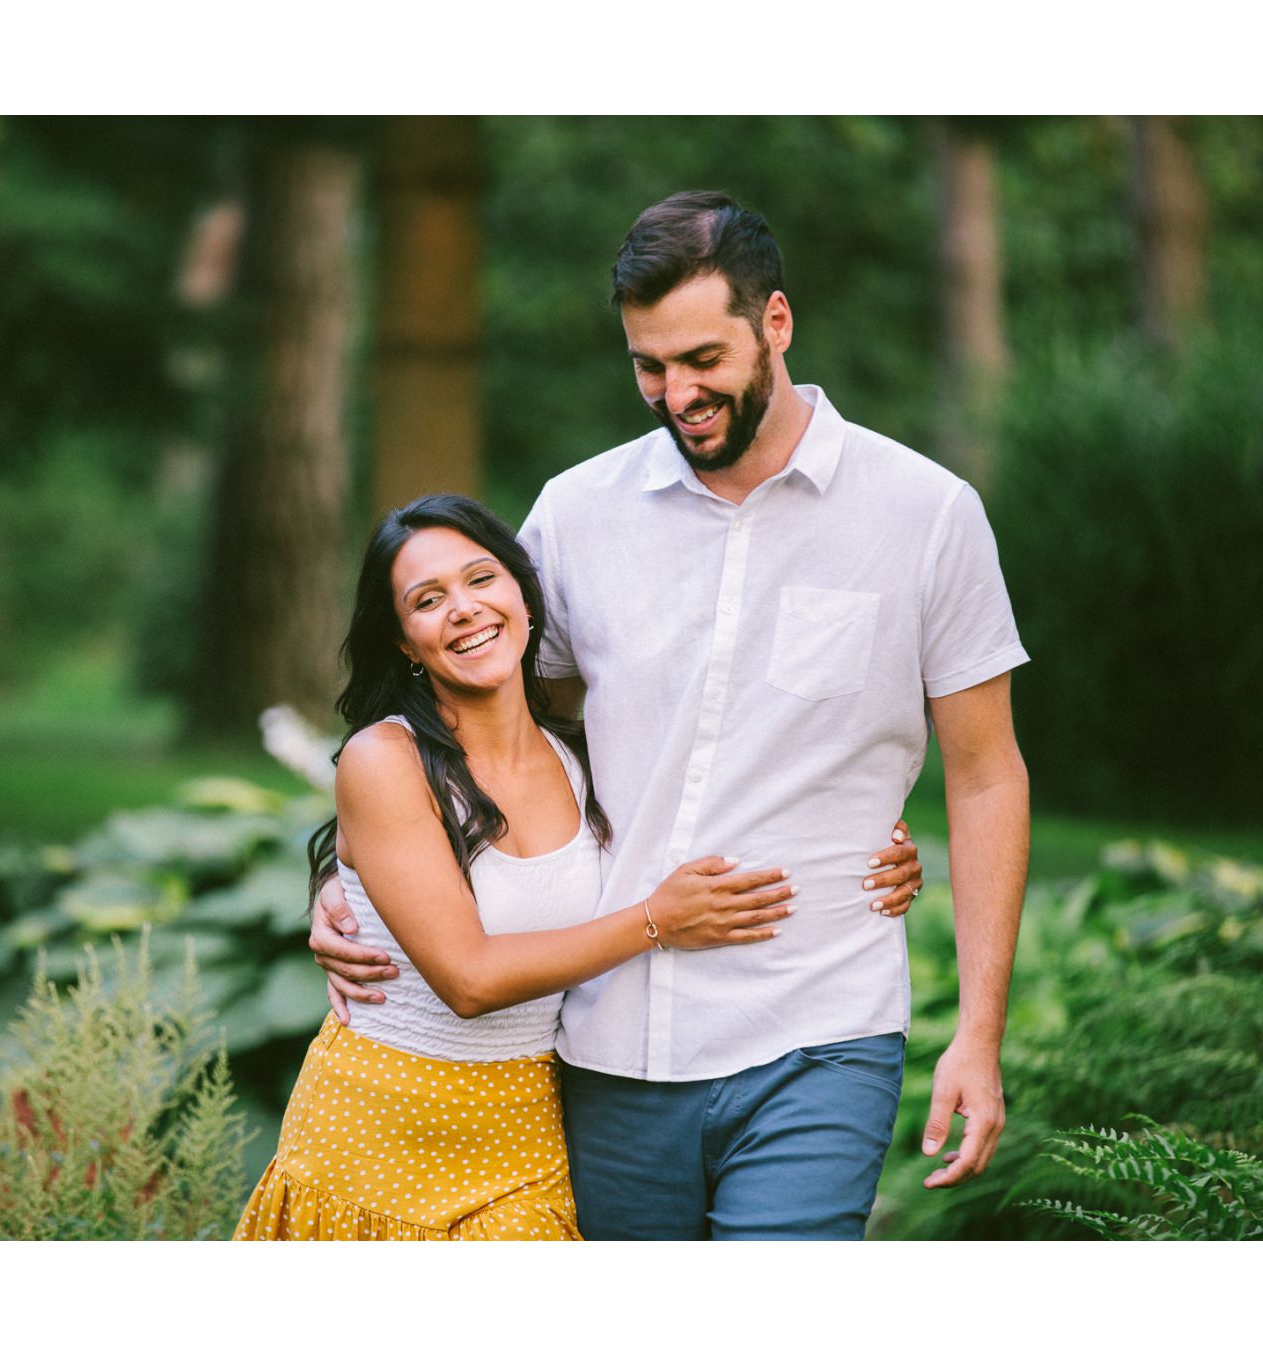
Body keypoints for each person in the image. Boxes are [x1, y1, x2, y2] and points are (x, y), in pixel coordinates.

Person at [312, 190, 1029, 1240]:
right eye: (650, 366)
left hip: (819, 1023)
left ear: (774, 324)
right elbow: (495, 735)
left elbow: (986, 774)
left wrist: (978, 1033)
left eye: (703, 360)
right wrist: (354, 878)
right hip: (608, 1039)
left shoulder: (926, 515)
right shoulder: (576, 512)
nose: (676, 394)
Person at [234, 494, 918, 1240]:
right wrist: (657, 922)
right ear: (403, 640)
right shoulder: (385, 760)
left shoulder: (589, 757)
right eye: (427, 601)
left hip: (526, 1130)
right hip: (377, 1129)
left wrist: (858, 843)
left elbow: (738, 783)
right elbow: (469, 980)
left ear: (526, 600)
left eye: (481, 579)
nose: (463, 609)